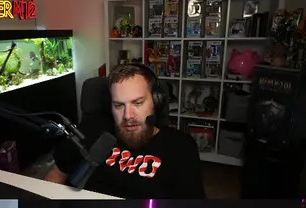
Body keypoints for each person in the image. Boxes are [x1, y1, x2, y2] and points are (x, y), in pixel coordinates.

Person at [45, 65, 206, 199]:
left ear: (156, 102)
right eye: (119, 105)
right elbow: (56, 174)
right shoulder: (90, 130)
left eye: (138, 103)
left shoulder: (180, 146)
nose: (128, 116)